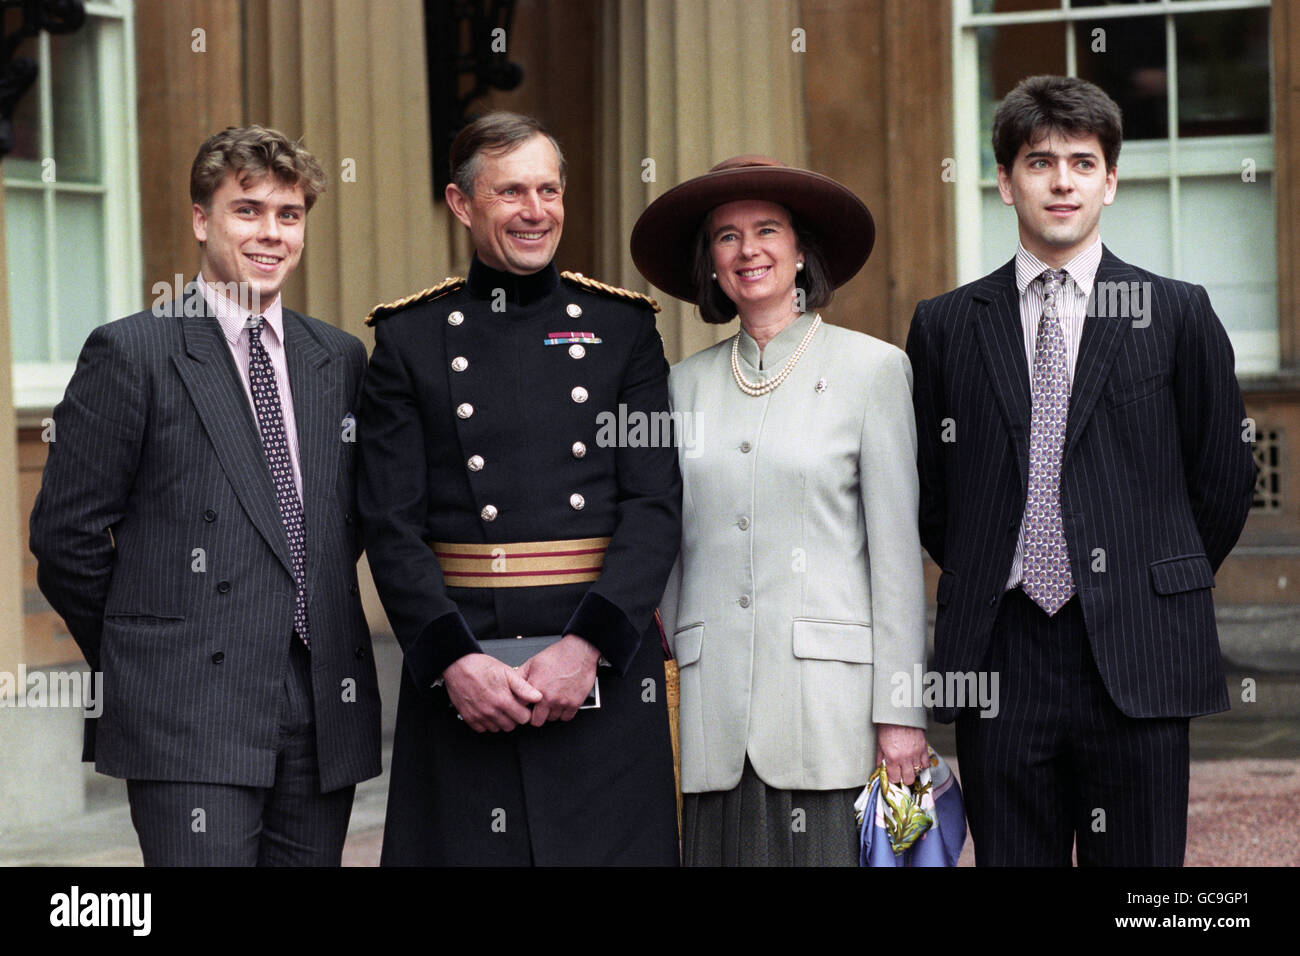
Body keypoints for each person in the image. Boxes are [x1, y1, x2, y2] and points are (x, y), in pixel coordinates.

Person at [905, 75, 1256, 866]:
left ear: (1110, 180)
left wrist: (1147, 574)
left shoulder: (1174, 311)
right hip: (1002, 652)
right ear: (1004, 181)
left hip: (1138, 649)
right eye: (1039, 162)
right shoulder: (947, 325)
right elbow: (933, 492)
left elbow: (1224, 476)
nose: (1061, 181)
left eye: (1081, 162)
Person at [29, 125, 382, 865]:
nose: (271, 233)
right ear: (202, 220)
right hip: (187, 706)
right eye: (247, 210)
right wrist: (152, 647)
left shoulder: (339, 358)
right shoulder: (134, 351)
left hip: (319, 703)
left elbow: (337, 524)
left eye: (289, 215)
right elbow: (67, 538)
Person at [358, 111, 680, 866]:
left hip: (600, 671)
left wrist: (587, 647)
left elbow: (655, 506)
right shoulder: (408, 340)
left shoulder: (624, 330)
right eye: (511, 192)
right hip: (468, 678)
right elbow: (389, 523)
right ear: (462, 203)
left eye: (548, 190)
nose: (536, 212)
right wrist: (452, 661)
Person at [630, 155, 930, 866]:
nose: (747, 250)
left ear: (801, 254)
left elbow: (895, 562)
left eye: (767, 230)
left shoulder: (873, 371)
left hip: (831, 716)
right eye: (726, 237)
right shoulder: (680, 387)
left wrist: (900, 714)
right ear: (710, 264)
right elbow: (667, 550)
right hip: (711, 717)